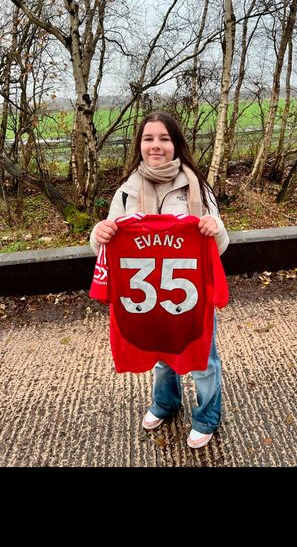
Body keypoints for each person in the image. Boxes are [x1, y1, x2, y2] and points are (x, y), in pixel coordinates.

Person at [90, 111, 229, 449]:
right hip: (150, 297)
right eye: (149, 138)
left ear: (175, 144)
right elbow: (106, 249)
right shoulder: (126, 191)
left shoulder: (196, 185)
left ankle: (207, 416)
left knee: (203, 358)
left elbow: (218, 248)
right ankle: (166, 404)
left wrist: (216, 229)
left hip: (192, 296)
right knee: (163, 355)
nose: (156, 145)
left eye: (164, 139)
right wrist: (98, 233)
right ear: (140, 145)